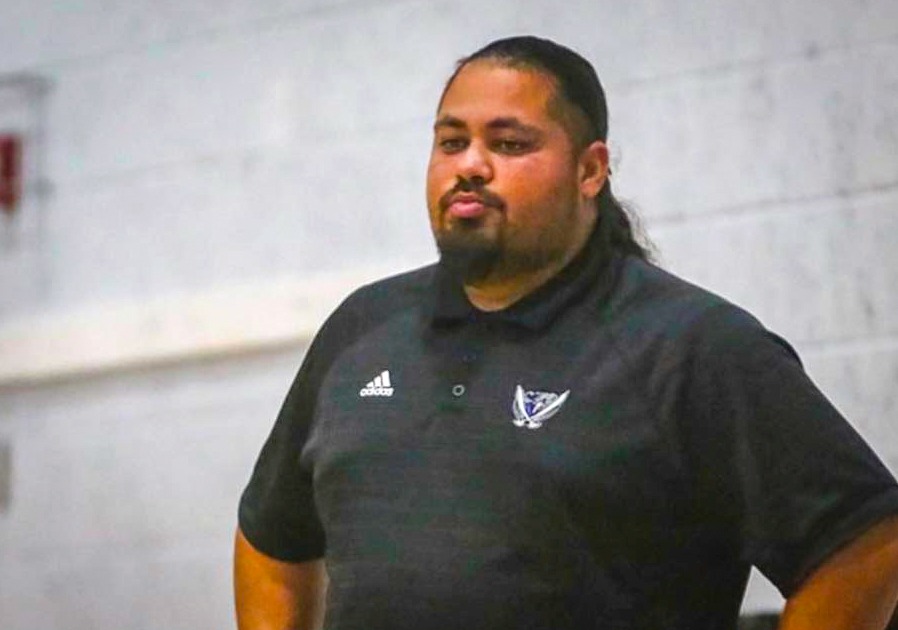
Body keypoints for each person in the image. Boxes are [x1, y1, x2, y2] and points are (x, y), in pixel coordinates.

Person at [234, 36, 898, 629]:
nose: (470, 164)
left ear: (590, 170)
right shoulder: (362, 328)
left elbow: (865, 546)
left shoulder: (688, 345)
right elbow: (270, 540)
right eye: (450, 140)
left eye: (509, 143)